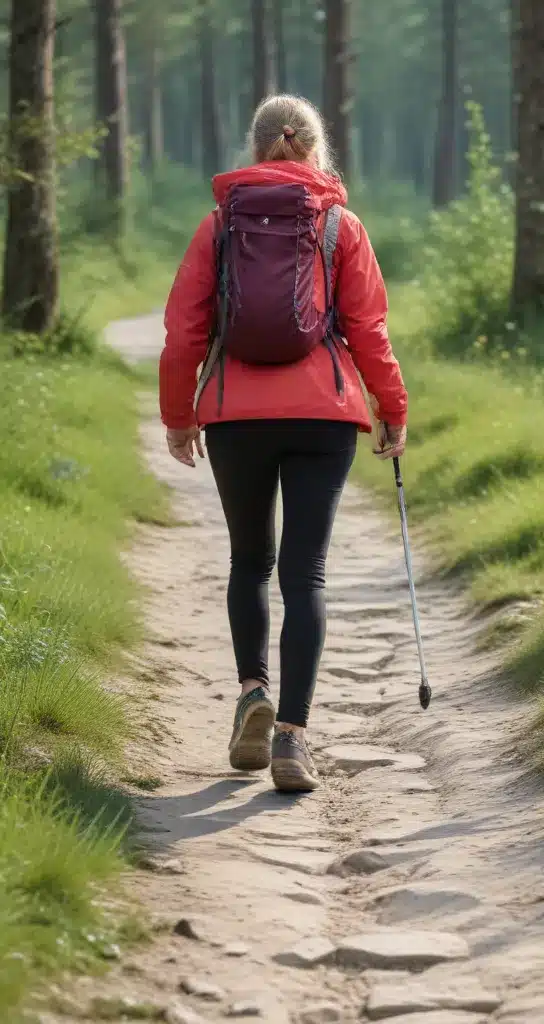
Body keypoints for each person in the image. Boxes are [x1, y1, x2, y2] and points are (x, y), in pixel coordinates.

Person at [159, 94, 408, 793]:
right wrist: (393, 409)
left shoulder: (219, 227)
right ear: (316, 149)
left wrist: (180, 416)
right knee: (306, 576)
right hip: (322, 417)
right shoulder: (340, 225)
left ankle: (250, 694)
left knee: (249, 562)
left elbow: (184, 333)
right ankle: (293, 740)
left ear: (258, 145)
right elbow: (370, 332)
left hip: (236, 415)